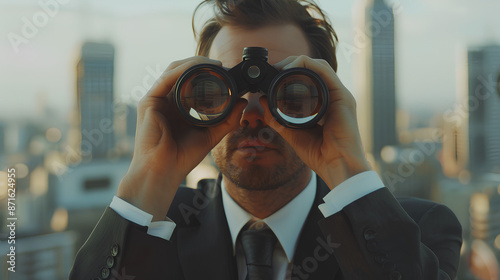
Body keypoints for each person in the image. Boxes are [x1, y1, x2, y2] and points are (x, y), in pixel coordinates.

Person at [69, 0, 462, 279]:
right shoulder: (156, 225)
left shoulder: (418, 229)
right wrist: (149, 177)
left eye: (288, 94)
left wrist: (346, 165)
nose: (252, 115)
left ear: (327, 101)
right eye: (218, 93)